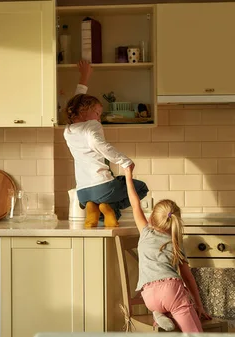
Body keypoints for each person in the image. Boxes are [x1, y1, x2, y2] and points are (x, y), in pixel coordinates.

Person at [124, 164, 211, 332]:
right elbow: (188, 278)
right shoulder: (176, 242)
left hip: (148, 297)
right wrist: (199, 306)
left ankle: (160, 315)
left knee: (170, 305)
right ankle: (168, 313)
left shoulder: (145, 232)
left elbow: (135, 204)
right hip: (172, 292)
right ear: (175, 222)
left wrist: (128, 175)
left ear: (151, 218)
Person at [63, 60, 149, 227]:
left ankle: (93, 208)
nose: (99, 118)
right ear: (83, 111)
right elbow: (98, 143)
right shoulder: (92, 126)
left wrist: (84, 78)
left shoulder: (68, 130)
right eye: (97, 113)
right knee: (141, 188)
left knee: (107, 206)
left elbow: (75, 102)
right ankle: (105, 207)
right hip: (103, 187)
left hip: (83, 192)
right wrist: (124, 161)